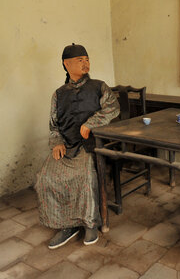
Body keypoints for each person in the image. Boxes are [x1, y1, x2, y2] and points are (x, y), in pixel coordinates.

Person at [35, 43, 119, 249]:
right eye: (80, 60)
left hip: (91, 144)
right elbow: (53, 125)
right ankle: (66, 225)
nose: (86, 63)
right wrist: (56, 143)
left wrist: (91, 123)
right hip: (67, 145)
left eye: (87, 59)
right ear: (66, 64)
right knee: (45, 178)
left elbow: (113, 108)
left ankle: (89, 223)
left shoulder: (99, 86)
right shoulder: (58, 94)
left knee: (84, 176)